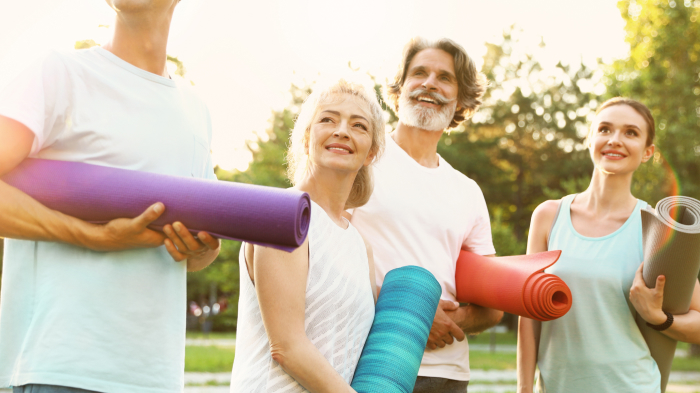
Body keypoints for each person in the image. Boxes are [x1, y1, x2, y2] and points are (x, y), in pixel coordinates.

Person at [0, 0, 220, 392]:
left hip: (154, 377)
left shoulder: (195, 110)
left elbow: (200, 249)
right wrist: (89, 234)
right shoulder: (61, 74)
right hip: (58, 370)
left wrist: (201, 247)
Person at [349, 38, 504, 393]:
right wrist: (412, 313)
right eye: (419, 73)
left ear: (461, 99)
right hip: (367, 363)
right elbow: (320, 257)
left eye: (444, 77)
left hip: (447, 373)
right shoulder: (359, 163)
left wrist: (457, 318)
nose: (430, 83)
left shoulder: (468, 191)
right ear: (399, 88)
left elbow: (493, 309)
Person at [516, 97, 700, 393]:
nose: (615, 140)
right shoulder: (548, 216)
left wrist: (659, 318)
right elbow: (528, 312)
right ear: (590, 139)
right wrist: (524, 388)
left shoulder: (654, 229)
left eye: (630, 132)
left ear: (647, 152)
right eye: (604, 129)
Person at [230, 79, 384, 392]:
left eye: (359, 126)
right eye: (328, 119)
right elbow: (287, 348)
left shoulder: (360, 246)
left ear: (371, 152)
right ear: (305, 139)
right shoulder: (279, 212)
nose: (342, 130)